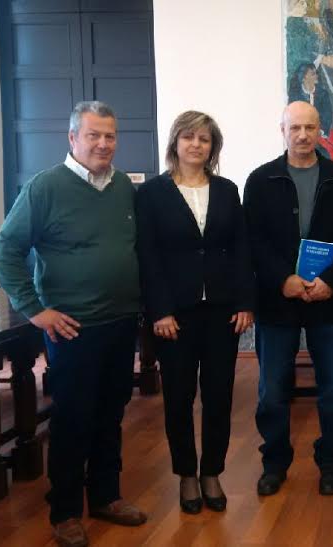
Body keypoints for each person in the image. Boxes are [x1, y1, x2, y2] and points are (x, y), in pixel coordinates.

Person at [0, 101, 146, 547]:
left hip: (121, 322)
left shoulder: (123, 187)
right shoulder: (45, 187)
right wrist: (35, 309)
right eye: (93, 135)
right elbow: (4, 252)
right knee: (73, 418)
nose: (103, 144)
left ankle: (106, 496)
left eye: (110, 136)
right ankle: (64, 512)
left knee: (110, 414)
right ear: (73, 137)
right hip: (73, 329)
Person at [135, 111, 254, 515]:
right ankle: (187, 474)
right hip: (175, 317)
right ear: (175, 142)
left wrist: (245, 301)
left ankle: (212, 472)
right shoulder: (152, 193)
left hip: (223, 313)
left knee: (219, 395)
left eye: (204, 139)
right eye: (188, 137)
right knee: (179, 397)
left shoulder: (226, 189)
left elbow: (241, 249)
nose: (196, 145)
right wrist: (160, 310)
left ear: (213, 147)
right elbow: (148, 256)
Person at [243, 101, 333, 497]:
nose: (302, 135)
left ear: (319, 130)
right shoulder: (261, 179)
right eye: (295, 128)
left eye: (310, 127)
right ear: (283, 131)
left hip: (328, 300)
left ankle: (330, 462)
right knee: (273, 391)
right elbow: (253, 240)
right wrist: (283, 279)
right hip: (277, 302)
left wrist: (331, 281)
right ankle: (274, 462)